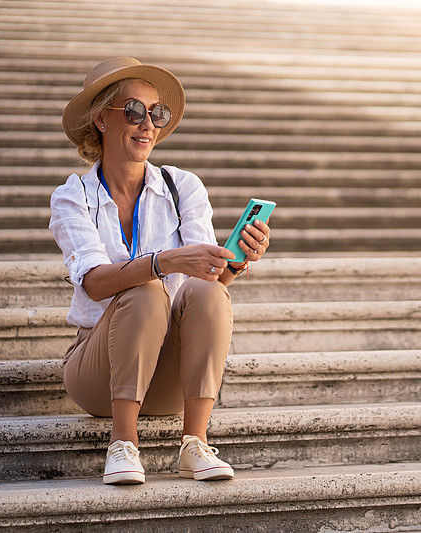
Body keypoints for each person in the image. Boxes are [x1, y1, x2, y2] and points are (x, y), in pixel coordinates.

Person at [49, 57, 270, 485]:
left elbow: (207, 286)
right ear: (101, 119)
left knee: (208, 293)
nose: (148, 124)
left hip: (168, 371)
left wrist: (236, 261)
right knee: (146, 289)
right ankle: (124, 442)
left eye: (157, 113)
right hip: (98, 369)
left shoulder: (182, 186)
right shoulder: (72, 196)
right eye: (133, 111)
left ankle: (195, 443)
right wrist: (162, 262)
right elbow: (95, 283)